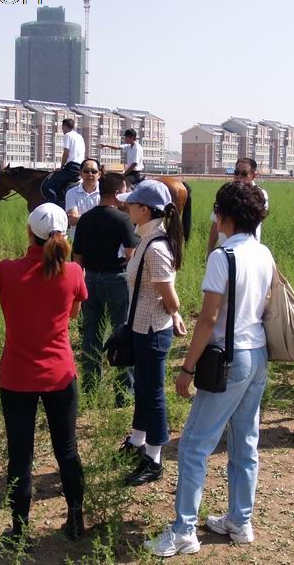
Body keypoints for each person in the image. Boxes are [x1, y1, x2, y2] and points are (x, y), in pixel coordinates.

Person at [145, 182, 273, 557]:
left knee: (193, 447)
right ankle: (240, 520)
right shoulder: (263, 253)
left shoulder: (223, 256)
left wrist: (187, 368)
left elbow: (209, 318)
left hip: (227, 358)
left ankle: (184, 530)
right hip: (257, 353)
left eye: (217, 213)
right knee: (245, 440)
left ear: (225, 217)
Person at [0, 203, 88, 544]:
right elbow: (72, 315)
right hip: (60, 375)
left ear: (29, 232)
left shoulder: (6, 271)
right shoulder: (73, 273)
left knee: (21, 455)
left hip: (17, 378)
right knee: (67, 451)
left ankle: (20, 529)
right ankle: (75, 520)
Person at [115, 180, 187, 486]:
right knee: (144, 390)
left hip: (152, 331)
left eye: (130, 203)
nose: (126, 207)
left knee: (153, 394)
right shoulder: (147, 237)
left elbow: (170, 297)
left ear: (144, 210)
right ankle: (137, 441)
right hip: (141, 326)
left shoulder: (155, 247)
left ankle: (154, 458)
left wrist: (175, 314)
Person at [72, 172, 139, 401]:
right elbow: (132, 255)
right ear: (118, 193)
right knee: (122, 334)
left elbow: (77, 257)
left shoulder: (85, 219)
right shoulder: (123, 220)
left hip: (89, 280)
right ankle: (123, 393)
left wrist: (79, 286)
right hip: (117, 280)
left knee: (91, 335)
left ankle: (91, 389)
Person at [206, 158, 268, 255]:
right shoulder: (226, 193)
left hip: (248, 250)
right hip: (226, 250)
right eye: (236, 172)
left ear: (253, 176)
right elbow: (215, 223)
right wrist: (209, 250)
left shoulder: (259, 196)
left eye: (244, 174)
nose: (239, 177)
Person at [42, 118, 85, 203]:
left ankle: (54, 206)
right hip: (80, 167)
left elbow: (66, 153)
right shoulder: (79, 136)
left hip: (71, 167)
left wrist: (61, 167)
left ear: (65, 126)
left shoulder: (68, 135)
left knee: (48, 187)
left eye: (62, 127)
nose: (62, 130)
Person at [65, 158, 103, 240]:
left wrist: (79, 218)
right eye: (86, 171)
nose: (90, 174)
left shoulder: (105, 192)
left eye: (94, 171)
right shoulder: (71, 193)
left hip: (100, 240)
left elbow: (107, 220)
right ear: (80, 173)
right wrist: (98, 218)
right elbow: (73, 221)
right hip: (79, 240)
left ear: (99, 174)